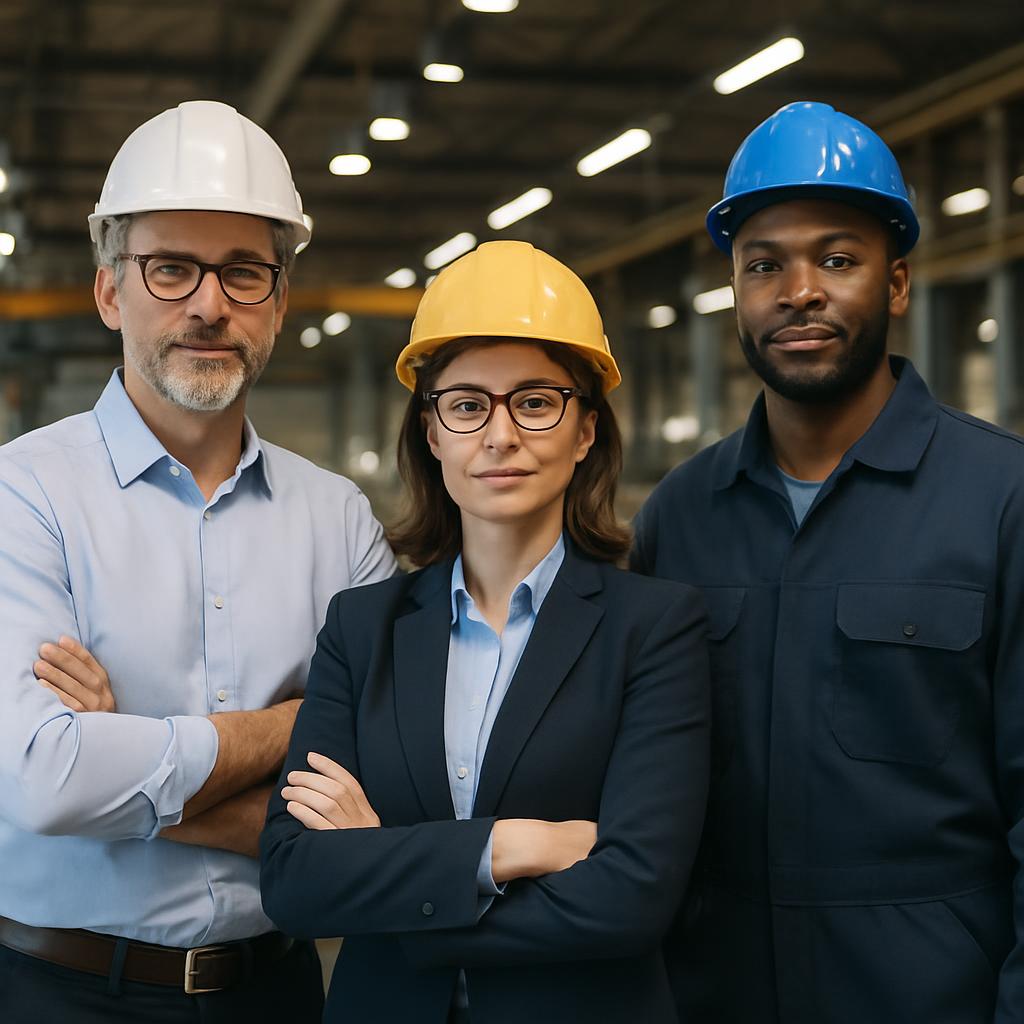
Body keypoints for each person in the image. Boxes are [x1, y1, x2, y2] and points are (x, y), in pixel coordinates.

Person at [0, 100, 395, 1023]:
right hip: (59, 993)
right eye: (170, 268)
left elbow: (393, 786)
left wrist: (126, 752)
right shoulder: (23, 496)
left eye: (244, 272)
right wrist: (293, 725)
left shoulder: (336, 519)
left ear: (280, 301)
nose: (209, 304)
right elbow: (45, 779)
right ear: (109, 292)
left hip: (280, 991)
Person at [632, 100, 1024, 1024]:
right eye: (763, 264)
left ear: (896, 285)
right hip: (714, 991)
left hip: (932, 996)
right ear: (734, 289)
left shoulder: (1002, 500)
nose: (797, 290)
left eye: (837, 259)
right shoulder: (681, 515)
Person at [259, 240, 711, 1024]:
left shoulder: (655, 629)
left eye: (535, 401)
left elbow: (633, 899)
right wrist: (511, 846)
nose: (499, 435)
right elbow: (297, 881)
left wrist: (394, 883)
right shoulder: (364, 631)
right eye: (467, 405)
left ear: (586, 431)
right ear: (432, 435)